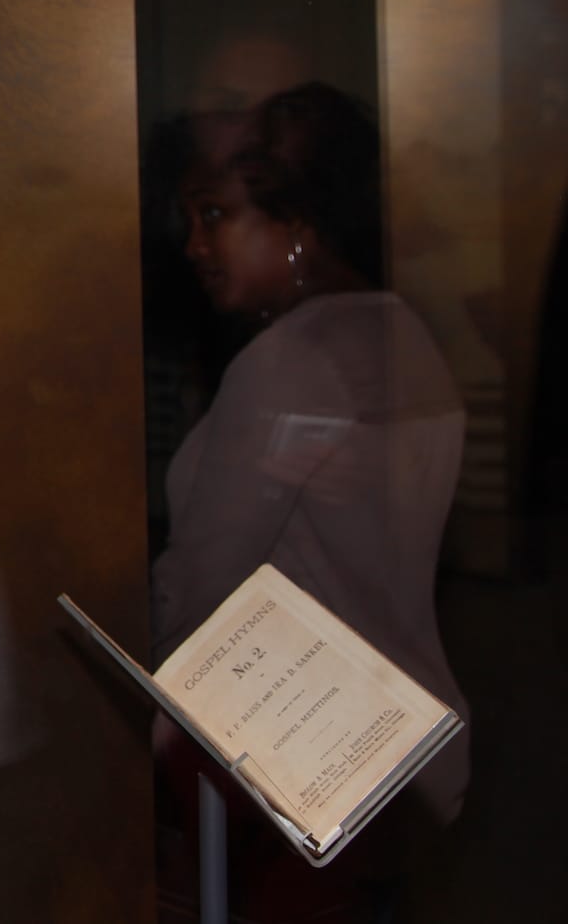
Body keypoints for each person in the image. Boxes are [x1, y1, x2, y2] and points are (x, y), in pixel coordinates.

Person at [150, 82, 470, 919]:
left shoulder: (289, 362)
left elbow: (208, 586)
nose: (194, 246)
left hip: (285, 757)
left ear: (295, 229)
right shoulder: (401, 331)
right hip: (391, 740)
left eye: (215, 215)